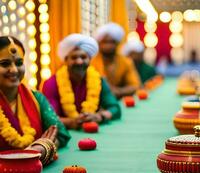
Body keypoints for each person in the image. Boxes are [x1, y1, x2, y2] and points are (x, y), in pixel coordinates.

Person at [0, 36, 70, 165]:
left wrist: (42, 147)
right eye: (4, 64)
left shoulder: (36, 98)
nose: (14, 70)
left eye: (19, 63)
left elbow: (61, 133)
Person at [42, 34, 121, 130]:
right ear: (66, 60)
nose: (79, 62)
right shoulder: (51, 84)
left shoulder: (98, 80)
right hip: (64, 133)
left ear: (90, 59)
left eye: (83, 57)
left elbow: (115, 108)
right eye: (74, 57)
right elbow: (50, 117)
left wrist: (99, 116)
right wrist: (72, 121)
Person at [92, 22, 141, 99]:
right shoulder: (91, 62)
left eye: (112, 42)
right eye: (105, 42)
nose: (108, 46)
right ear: (99, 43)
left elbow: (135, 86)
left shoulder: (126, 62)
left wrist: (118, 91)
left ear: (118, 43)